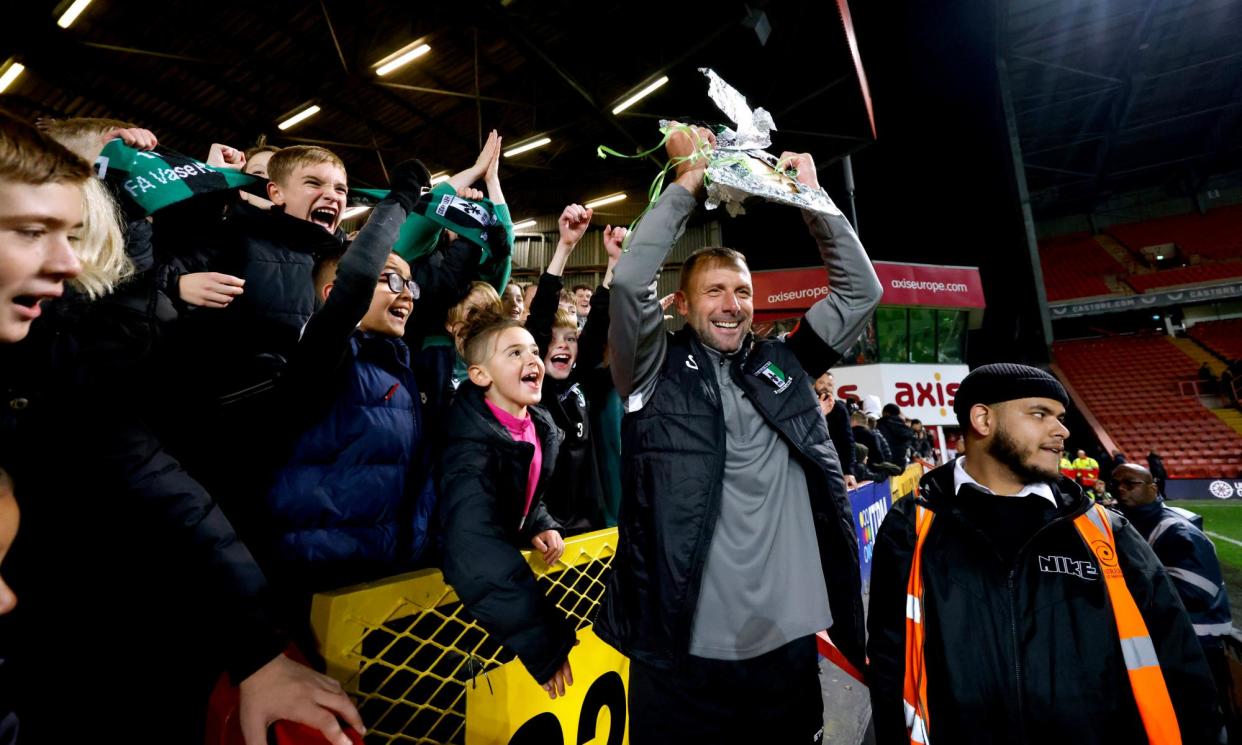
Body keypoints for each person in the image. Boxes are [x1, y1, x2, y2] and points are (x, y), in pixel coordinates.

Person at [0, 112, 363, 745]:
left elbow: (155, 480)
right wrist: (172, 289)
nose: (63, 262)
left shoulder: (67, 370)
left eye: (75, 233)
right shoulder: (218, 232)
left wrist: (257, 648)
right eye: (34, 231)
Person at [598, 124, 882, 743]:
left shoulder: (785, 363)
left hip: (784, 648)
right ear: (682, 303)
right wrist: (687, 183)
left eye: (743, 292)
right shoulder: (650, 369)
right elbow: (625, 283)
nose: (732, 304)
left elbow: (863, 291)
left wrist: (816, 203)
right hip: (681, 651)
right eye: (715, 291)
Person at [868, 363, 1221, 744]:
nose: (1062, 431)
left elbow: (1181, 664)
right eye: (1040, 414)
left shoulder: (1106, 530)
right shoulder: (912, 527)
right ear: (983, 419)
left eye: (1062, 417)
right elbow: (890, 666)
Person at [261, 163, 436, 603]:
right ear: (332, 295)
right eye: (390, 280)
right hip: (316, 584)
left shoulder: (397, 366)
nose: (404, 295)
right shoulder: (320, 359)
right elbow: (357, 282)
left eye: (409, 286)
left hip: (385, 577)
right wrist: (401, 200)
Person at [438, 310, 577, 699]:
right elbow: (473, 541)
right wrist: (542, 636)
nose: (532, 360)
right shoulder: (467, 446)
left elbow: (522, 492)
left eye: (534, 350)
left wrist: (539, 522)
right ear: (480, 375)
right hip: (461, 591)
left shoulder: (539, 423)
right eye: (514, 353)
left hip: (495, 595)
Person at [523, 203, 626, 532]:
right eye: (553, 340)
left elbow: (597, 323)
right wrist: (565, 247)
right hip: (547, 534)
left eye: (570, 338)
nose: (563, 345)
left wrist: (614, 263)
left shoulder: (583, 382)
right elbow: (539, 319)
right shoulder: (533, 391)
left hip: (590, 530)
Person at [1114, 463, 1237, 736]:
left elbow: (1195, 593)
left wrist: (1122, 590)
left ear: (1153, 488)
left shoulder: (1178, 531)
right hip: (1169, 642)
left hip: (1197, 645)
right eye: (1116, 485)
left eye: (1130, 484)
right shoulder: (1135, 523)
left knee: (1199, 722)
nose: (1121, 490)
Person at [815, 371, 858, 489]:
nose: (825, 386)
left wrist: (849, 471)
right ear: (814, 384)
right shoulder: (805, 406)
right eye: (821, 382)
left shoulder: (839, 409)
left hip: (832, 469)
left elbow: (848, 442)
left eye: (829, 384)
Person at [877, 403, 915, 468]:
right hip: (901, 466)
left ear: (886, 413)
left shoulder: (879, 425)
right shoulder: (905, 429)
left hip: (885, 465)